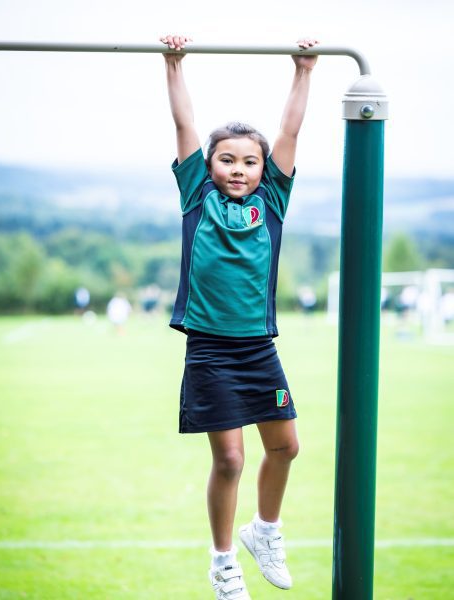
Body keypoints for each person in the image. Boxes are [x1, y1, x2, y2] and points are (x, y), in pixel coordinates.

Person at [160, 34, 318, 600]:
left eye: (250, 161)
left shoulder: (271, 203)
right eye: (227, 159)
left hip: (258, 348)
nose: (239, 168)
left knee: (286, 447)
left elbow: (290, 133)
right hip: (209, 348)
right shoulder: (197, 198)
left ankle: (264, 531)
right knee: (229, 458)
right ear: (209, 164)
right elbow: (184, 127)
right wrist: (174, 67)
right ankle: (224, 563)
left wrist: (303, 71)